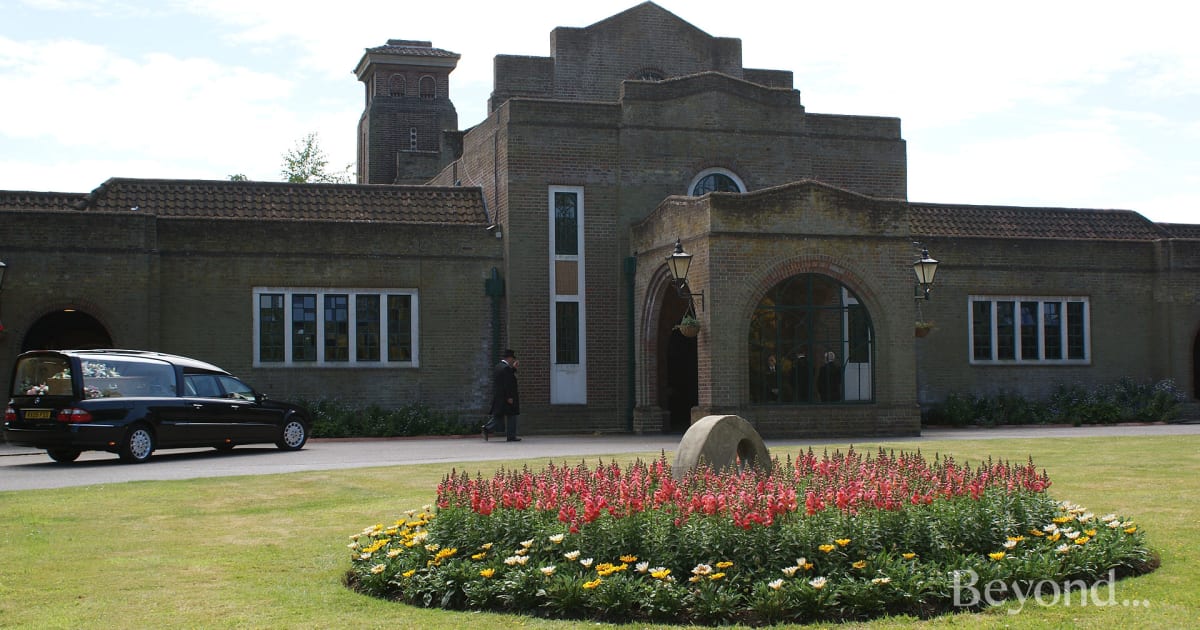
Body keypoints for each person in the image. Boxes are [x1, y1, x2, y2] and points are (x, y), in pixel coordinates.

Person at [483, 349, 521, 442]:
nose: (513, 361)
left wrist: (514, 369)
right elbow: (507, 383)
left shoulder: (499, 366)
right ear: (509, 358)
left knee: (499, 415)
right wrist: (509, 397)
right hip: (506, 397)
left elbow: (506, 377)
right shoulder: (506, 368)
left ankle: (487, 428)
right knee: (512, 415)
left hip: (500, 397)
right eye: (512, 359)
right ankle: (511, 436)